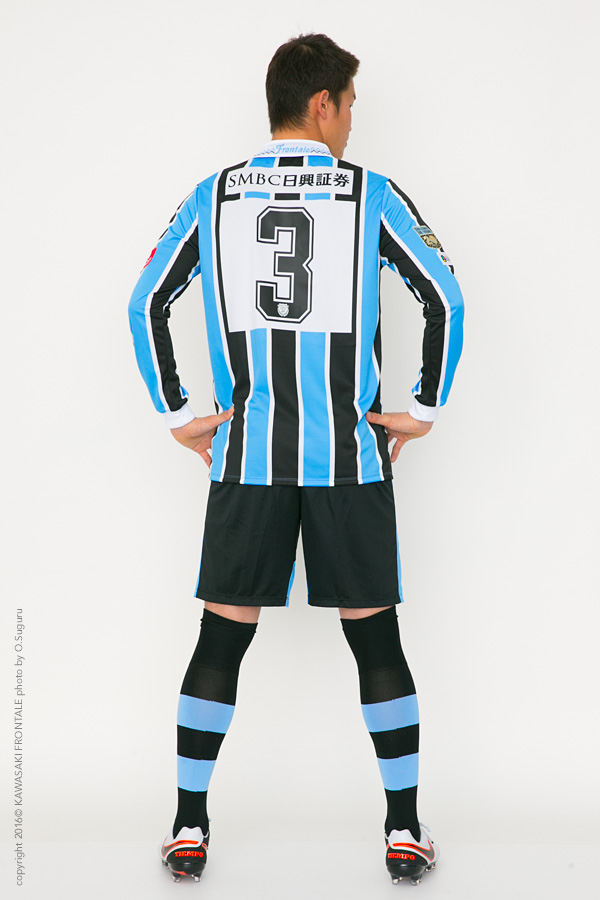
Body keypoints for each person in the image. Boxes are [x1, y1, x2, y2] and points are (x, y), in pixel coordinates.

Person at [128, 33, 464, 886]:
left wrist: (179, 415)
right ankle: (404, 830)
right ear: (322, 104)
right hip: (351, 462)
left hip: (247, 461)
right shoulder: (369, 192)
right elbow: (446, 297)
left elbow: (143, 303)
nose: (352, 122)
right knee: (377, 642)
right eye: (350, 106)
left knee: (219, 640)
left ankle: (188, 826)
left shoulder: (213, 196)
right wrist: (422, 408)